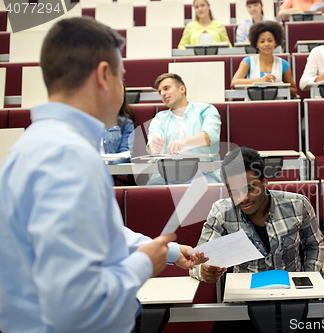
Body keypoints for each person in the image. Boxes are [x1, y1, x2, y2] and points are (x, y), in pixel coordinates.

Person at [0, 17, 207, 333]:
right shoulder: (66, 156)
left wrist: (168, 252)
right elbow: (74, 303)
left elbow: (96, 234)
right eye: (122, 77)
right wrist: (142, 265)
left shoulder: (44, 143)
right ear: (103, 75)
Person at [190, 147, 324, 281]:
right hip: (245, 295)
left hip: (292, 291)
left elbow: (315, 245)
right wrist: (203, 270)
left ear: (264, 182)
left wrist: (310, 279)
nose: (243, 198)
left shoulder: (298, 205)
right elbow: (199, 259)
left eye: (249, 189)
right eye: (234, 193)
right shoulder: (221, 213)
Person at [147, 73, 221, 184]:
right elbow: (152, 144)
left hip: (202, 173)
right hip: (167, 175)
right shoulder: (159, 118)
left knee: (210, 188)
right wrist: (155, 150)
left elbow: (210, 136)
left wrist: (184, 142)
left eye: (166, 88)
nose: (162, 93)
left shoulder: (206, 110)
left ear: (182, 89)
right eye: (160, 92)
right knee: (149, 191)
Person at [231, 21, 297, 97]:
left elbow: (294, 90)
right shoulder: (247, 62)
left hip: (277, 105)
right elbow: (234, 83)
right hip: (252, 105)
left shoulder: (283, 64)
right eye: (262, 41)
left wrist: (280, 86)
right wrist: (260, 80)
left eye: (270, 40)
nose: (266, 44)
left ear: (276, 42)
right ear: (256, 44)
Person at [103, 84, 135, 186]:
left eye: (120, 95)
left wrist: (109, 171)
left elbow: (125, 153)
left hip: (114, 176)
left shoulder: (126, 122)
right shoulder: (88, 119)